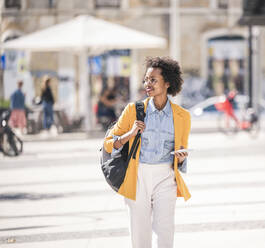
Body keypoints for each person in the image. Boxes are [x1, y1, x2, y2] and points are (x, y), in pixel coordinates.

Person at [104, 56, 191, 248]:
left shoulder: (182, 116)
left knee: (165, 232)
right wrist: (130, 133)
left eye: (153, 80)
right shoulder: (132, 110)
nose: (147, 84)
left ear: (167, 83)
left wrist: (182, 159)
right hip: (138, 176)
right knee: (140, 234)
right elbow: (109, 144)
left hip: (166, 177)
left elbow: (181, 153)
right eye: (146, 79)